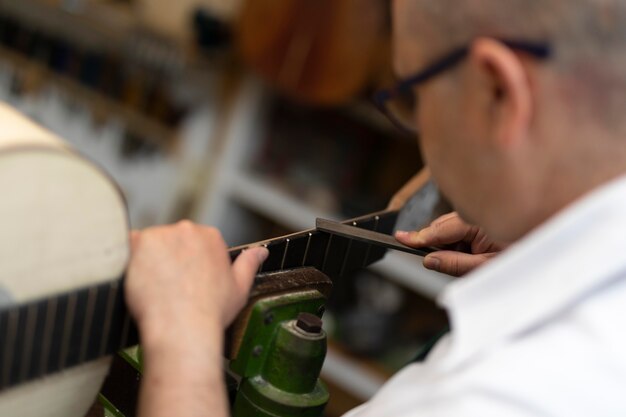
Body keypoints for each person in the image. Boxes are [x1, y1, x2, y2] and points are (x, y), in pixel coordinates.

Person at [125, 0, 626, 415]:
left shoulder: (499, 399)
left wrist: (181, 350)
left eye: (412, 93)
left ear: (498, 93)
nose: (418, 124)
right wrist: (539, 245)